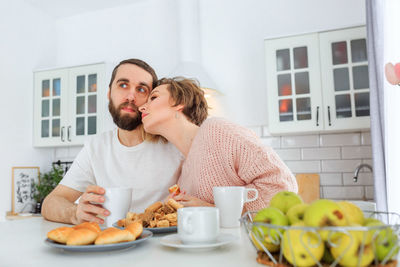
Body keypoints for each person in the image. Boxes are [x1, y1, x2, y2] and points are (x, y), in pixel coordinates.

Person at [41, 59, 182, 225]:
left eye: (141, 89)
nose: (131, 96)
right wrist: (75, 213)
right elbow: (51, 202)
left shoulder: (174, 143)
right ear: (109, 93)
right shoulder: (95, 147)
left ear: (151, 100)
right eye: (123, 85)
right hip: (112, 246)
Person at [139, 77, 298, 212]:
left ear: (180, 102)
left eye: (153, 98)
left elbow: (282, 186)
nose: (141, 107)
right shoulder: (184, 175)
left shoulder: (216, 131)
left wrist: (213, 209)